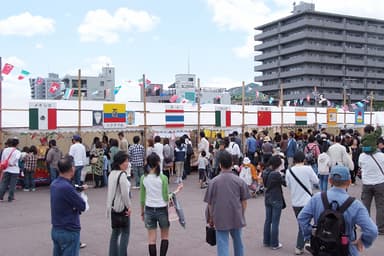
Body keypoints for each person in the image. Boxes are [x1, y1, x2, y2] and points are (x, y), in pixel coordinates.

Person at [298, 165, 379, 256]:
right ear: (349, 182)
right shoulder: (355, 205)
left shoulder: (317, 198)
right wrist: (363, 241)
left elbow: (302, 218)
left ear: (330, 180)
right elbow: (372, 230)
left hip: (321, 248)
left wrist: (310, 235)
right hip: (346, 249)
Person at [204, 150, 250, 256]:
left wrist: (211, 218)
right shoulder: (239, 181)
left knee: (222, 243)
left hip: (220, 217)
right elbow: (244, 201)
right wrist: (241, 214)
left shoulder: (213, 182)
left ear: (220, 164)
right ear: (232, 163)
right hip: (236, 215)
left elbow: (210, 204)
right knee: (238, 242)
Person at [140, 153, 183, 256]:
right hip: (162, 210)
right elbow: (166, 197)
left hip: (149, 210)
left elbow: (142, 198)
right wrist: (177, 190)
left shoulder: (143, 178)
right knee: (165, 236)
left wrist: (142, 212)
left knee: (151, 240)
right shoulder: (163, 178)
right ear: (158, 163)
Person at [50, 155, 88, 256]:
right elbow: (82, 206)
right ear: (72, 169)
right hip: (69, 229)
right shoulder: (67, 187)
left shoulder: (54, 184)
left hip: (56, 228)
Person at [285, 152, 319, 255]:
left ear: (294, 160)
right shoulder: (308, 169)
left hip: (295, 202)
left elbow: (288, 185)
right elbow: (316, 181)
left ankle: (303, 244)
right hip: (308, 201)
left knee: (301, 224)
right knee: (309, 224)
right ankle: (303, 245)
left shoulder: (289, 171)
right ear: (304, 159)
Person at [106, 151, 132, 256]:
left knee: (115, 233)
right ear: (120, 162)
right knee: (125, 232)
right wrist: (129, 207)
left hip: (112, 207)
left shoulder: (112, 173)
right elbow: (125, 194)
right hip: (122, 206)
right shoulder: (122, 175)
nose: (127, 163)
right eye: (126, 161)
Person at [358, 142, 384, 235]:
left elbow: (360, 166)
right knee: (380, 206)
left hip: (366, 184)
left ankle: (366, 227)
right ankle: (380, 228)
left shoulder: (362, 156)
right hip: (380, 183)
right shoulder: (382, 156)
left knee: (365, 206)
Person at [262, 155, 286, 250]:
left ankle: (266, 241)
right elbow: (284, 183)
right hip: (276, 198)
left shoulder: (265, 171)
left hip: (267, 198)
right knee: (275, 222)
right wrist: (282, 174)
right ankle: (274, 243)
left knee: (268, 220)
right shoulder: (276, 174)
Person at [0, 138, 21, 202]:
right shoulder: (18, 151)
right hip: (14, 169)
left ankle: (1, 196)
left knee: (4, 183)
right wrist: (11, 163)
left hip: (6, 169)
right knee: (12, 184)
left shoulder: (5, 150)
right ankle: (10, 197)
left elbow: (2, 159)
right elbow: (17, 159)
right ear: (17, 144)